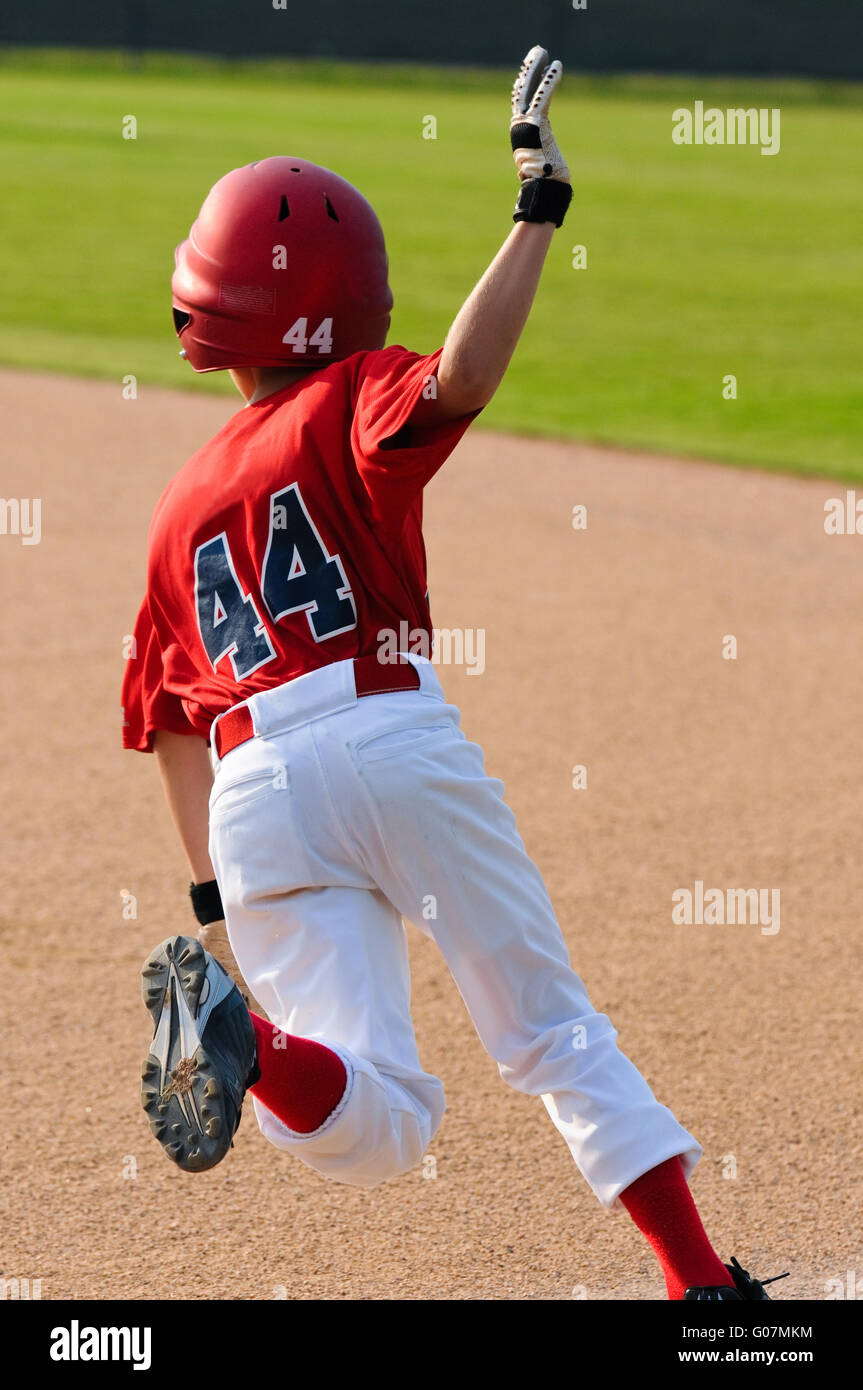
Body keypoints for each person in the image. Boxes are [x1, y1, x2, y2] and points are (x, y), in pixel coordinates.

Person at [124, 46, 782, 1301]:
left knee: (378, 1125)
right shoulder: (351, 393)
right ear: (348, 299)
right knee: (545, 1028)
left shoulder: (173, 508)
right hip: (388, 739)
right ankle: (702, 1289)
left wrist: (215, 910)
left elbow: (167, 729)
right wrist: (536, 212)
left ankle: (250, 1044)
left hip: (253, 789)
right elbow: (461, 377)